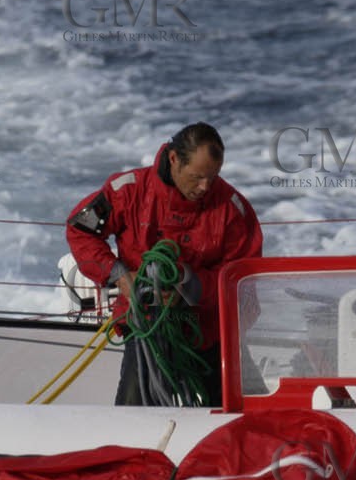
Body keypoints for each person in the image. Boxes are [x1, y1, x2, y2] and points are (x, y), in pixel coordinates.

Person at [66, 123, 263, 405]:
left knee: (235, 411)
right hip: (145, 323)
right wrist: (119, 275)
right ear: (173, 159)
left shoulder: (232, 210)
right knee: (133, 408)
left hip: (208, 331)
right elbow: (80, 231)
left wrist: (191, 284)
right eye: (196, 177)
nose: (205, 187)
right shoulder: (128, 192)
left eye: (213, 177)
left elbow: (245, 279)